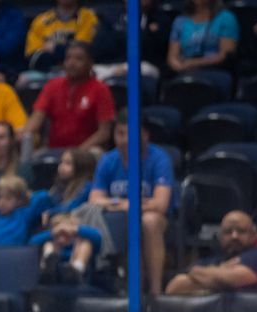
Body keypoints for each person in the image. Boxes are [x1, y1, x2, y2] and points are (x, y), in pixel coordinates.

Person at [89, 111, 174, 295]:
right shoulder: (108, 160)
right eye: (120, 133)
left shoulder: (159, 159)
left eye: (131, 133)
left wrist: (121, 204)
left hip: (157, 222)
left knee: (148, 221)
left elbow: (160, 204)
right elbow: (94, 199)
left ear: (145, 135)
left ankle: (155, 293)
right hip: (120, 219)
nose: (126, 140)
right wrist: (128, 204)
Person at [22, 42, 115, 151]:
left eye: (78, 59)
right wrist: (26, 134)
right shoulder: (53, 85)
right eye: (68, 58)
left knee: (95, 152)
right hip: (54, 149)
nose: (71, 63)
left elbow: (104, 133)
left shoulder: (101, 89)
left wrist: (76, 153)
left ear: (90, 63)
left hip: (87, 151)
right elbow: (37, 117)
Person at [165, 211, 257, 294]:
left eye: (241, 231)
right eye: (228, 232)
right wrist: (222, 271)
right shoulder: (209, 261)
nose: (234, 236)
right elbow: (173, 288)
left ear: (254, 236)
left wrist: (198, 274)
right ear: (220, 237)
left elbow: (238, 278)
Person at [24, 0, 99, 73]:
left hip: (78, 72)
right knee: (24, 79)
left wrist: (55, 49)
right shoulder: (40, 21)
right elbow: (33, 58)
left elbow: (81, 53)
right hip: (45, 71)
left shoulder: (88, 17)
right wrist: (64, 49)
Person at [0, 175, 52, 246]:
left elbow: (43, 196)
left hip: (12, 256)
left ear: (19, 200)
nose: (2, 203)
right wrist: (4, 182)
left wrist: (24, 194)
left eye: (8, 198)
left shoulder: (23, 215)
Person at [167, 0, 238, 74]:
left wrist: (192, 63)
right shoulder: (180, 21)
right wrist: (178, 66)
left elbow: (225, 55)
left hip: (215, 70)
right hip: (185, 72)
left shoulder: (226, 18)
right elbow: (172, 56)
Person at [30, 212, 103, 283]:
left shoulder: (77, 244)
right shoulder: (53, 243)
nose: (63, 237)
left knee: (85, 244)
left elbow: (98, 237)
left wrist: (74, 229)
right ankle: (48, 268)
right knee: (48, 245)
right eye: (59, 234)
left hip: (77, 277)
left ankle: (77, 269)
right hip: (52, 275)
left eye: (66, 234)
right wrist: (53, 232)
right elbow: (32, 242)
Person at [46, 147, 98, 218]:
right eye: (61, 162)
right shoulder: (60, 185)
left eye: (68, 163)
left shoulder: (87, 186)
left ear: (81, 167)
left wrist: (50, 212)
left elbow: (72, 207)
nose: (62, 167)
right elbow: (51, 202)